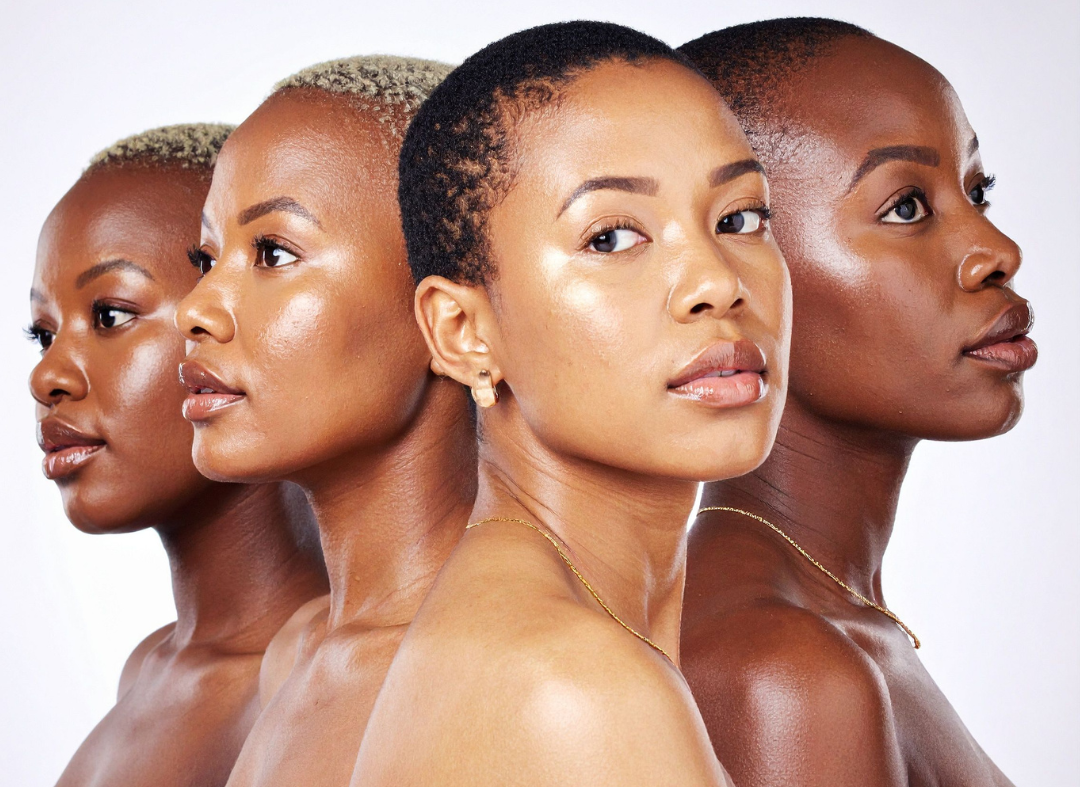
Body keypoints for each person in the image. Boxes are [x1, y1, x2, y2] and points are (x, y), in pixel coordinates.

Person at [352, 22, 790, 786]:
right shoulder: (577, 685)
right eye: (612, 237)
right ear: (462, 331)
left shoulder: (525, 630)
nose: (718, 282)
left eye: (739, 218)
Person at [678, 18, 1032, 787]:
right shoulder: (779, 668)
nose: (997, 252)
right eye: (907, 207)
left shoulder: (834, 619)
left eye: (978, 191)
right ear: (741, 276)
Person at [175, 56, 477, 787]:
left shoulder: (524, 676)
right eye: (207, 259)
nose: (195, 308)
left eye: (272, 253)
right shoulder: (297, 653)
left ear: (450, 319)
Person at [27, 124, 329, 787]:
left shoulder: (319, 686)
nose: (46, 376)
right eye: (42, 333)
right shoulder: (149, 668)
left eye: (109, 315)